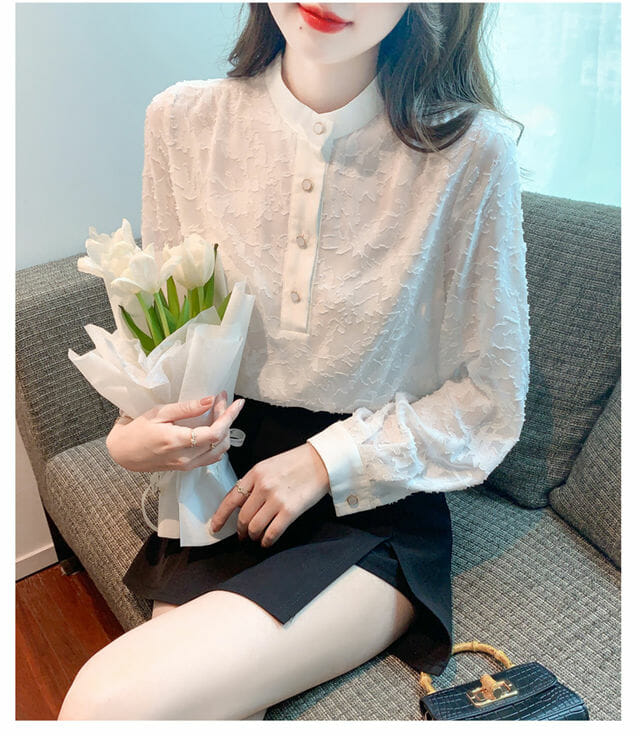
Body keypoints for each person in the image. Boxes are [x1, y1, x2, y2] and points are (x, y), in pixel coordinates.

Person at [58, 1, 530, 721]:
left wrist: (322, 461)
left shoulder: (469, 153)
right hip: (217, 489)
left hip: (370, 503)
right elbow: (172, 334)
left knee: (108, 702)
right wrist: (133, 436)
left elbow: (487, 399)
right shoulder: (183, 123)